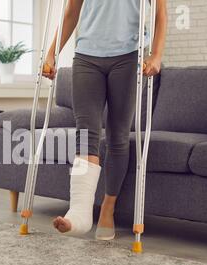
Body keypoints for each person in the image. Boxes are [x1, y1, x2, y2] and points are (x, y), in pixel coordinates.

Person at [44, 0, 167, 240]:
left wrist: (156, 54)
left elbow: (160, 13)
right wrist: (51, 53)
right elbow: (71, 12)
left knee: (117, 137)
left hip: (128, 57)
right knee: (86, 132)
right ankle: (79, 212)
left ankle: (107, 209)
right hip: (86, 56)